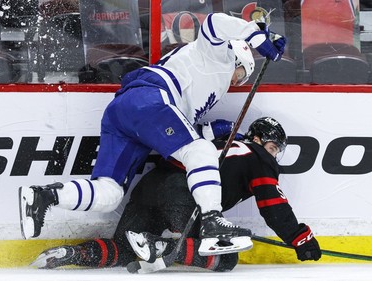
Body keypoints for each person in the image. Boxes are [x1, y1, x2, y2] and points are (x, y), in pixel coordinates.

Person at [19, 12, 286, 254]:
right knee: (200, 151)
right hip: (151, 100)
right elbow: (215, 21)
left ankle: (44, 196)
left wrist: (211, 130)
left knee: (109, 193)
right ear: (238, 57)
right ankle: (213, 220)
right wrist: (255, 34)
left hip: (125, 112)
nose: (238, 81)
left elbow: (176, 131)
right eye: (241, 74)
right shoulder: (218, 56)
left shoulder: (202, 81)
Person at [30, 117, 322, 271]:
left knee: (124, 249)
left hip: (151, 186)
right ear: (258, 140)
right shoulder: (259, 157)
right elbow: (273, 207)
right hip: (183, 196)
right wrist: (301, 238)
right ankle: (161, 248)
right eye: (273, 147)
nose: (273, 155)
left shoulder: (216, 144)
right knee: (226, 258)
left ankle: (72, 254)